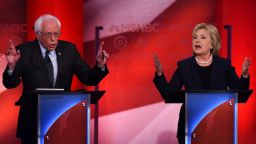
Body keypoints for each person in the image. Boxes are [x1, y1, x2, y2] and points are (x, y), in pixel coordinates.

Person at [2, 14, 109, 144]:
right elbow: (10, 84)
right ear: (37, 34)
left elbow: (88, 78)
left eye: (56, 34)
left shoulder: (69, 49)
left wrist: (100, 66)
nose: (53, 39)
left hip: (61, 121)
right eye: (48, 35)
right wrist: (11, 66)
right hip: (32, 123)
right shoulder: (24, 51)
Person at [153, 23, 251, 144]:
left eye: (203, 37)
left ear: (212, 44)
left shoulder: (224, 65)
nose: (197, 40)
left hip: (219, 129)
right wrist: (159, 74)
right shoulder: (185, 66)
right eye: (195, 37)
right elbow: (168, 94)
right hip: (189, 128)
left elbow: (239, 91)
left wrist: (245, 74)